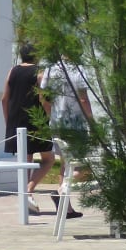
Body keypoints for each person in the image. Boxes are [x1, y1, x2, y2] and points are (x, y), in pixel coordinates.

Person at [2, 42, 53, 214]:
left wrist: (8, 121)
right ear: (36, 55)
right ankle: (28, 191)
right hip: (35, 120)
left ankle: (27, 198)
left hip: (16, 121)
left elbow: (4, 99)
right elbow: (43, 99)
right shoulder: (39, 72)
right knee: (49, 159)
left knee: (26, 160)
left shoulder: (12, 71)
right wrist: (48, 118)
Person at [40, 57, 93, 218]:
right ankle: (61, 191)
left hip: (57, 123)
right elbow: (83, 99)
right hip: (75, 125)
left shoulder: (50, 69)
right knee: (86, 168)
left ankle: (66, 207)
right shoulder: (78, 68)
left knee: (65, 164)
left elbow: (43, 98)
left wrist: (52, 116)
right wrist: (92, 122)